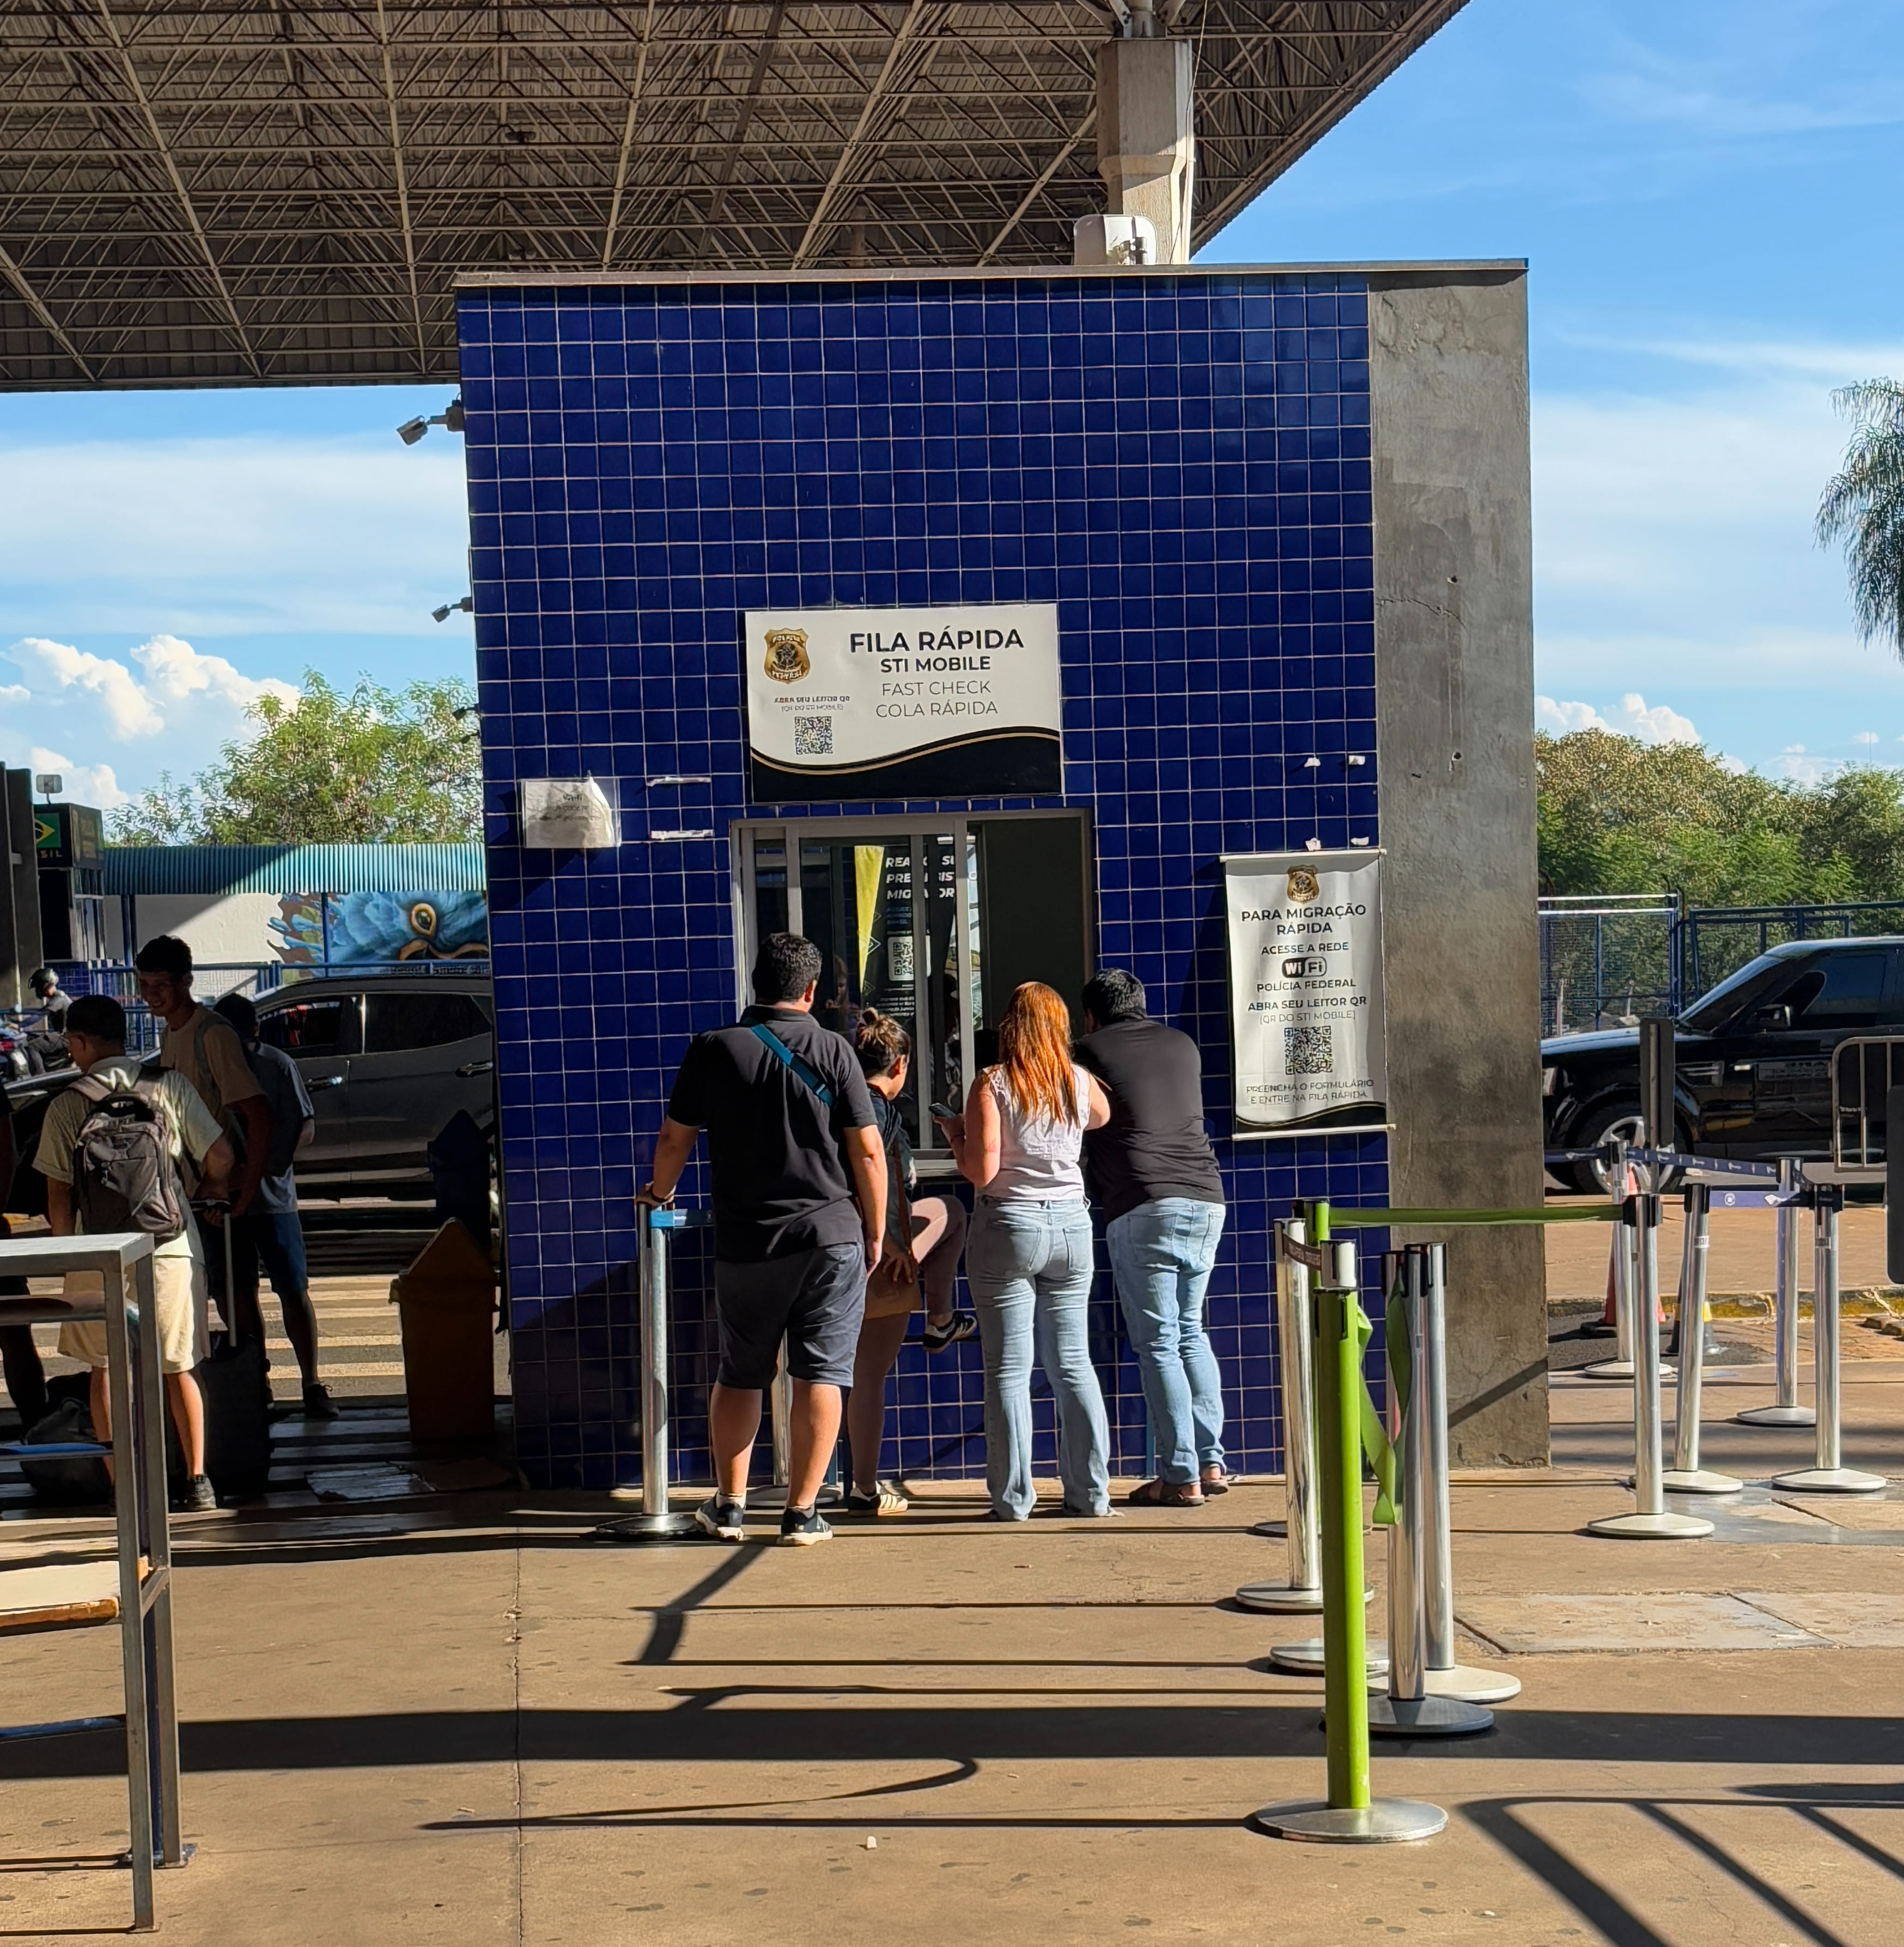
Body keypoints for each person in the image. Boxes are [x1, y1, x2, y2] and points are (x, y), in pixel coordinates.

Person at [641, 932, 886, 1547]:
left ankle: (729, 1506)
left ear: (756, 983)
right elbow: (868, 1151)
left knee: (741, 1372)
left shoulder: (714, 1048)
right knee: (822, 1373)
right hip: (829, 1237)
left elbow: (674, 1138)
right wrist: (876, 1230)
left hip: (747, 1241)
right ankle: (802, 1514)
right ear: (811, 991)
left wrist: (660, 1193)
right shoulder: (834, 1050)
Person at [33, 994, 233, 1512]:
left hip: (98, 1254)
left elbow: (59, 1195)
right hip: (169, 1245)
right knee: (178, 1366)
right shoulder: (170, 1086)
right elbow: (221, 1155)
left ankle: (122, 1484)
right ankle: (198, 1480)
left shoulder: (67, 1104)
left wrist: (70, 1256)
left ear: (80, 1042)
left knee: (104, 1369)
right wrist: (208, 1189)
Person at [939, 980, 1113, 1523]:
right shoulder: (1077, 1080)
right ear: (1060, 1027)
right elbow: (1103, 1115)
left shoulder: (993, 1081)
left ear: (1011, 1026)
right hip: (1072, 1226)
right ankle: (1091, 1494)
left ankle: (1014, 1500)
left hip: (1009, 1225)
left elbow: (982, 1170)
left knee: (1010, 1370)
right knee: (1073, 1364)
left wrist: (955, 1135)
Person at [1076, 969, 1228, 1507]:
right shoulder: (1182, 1044)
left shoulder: (1087, 1052)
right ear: (1140, 1004)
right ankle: (1210, 1462)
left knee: (1159, 1342)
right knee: (1191, 1332)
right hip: (1207, 1199)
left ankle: (1180, 1475)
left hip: (1143, 1202)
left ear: (1091, 1016)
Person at [844, 1008, 974, 1517]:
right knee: (868, 1377)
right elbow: (874, 1176)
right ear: (899, 1065)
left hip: (835, 1253)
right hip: (878, 1256)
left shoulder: (839, 1103)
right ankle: (863, 1487)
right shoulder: (878, 1113)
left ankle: (817, 1491)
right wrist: (891, 1240)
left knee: (830, 1378)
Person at [133, 938, 273, 1337]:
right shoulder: (170, 1033)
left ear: (186, 981)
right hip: (191, 1190)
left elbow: (260, 1115)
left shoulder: (212, 1034)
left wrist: (244, 1193)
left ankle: (252, 1372)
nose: (150, 995)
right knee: (212, 1290)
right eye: (144, 985)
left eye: (161, 985)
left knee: (235, 1293)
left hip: (221, 1191)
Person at [212, 993, 334, 1417]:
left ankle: (311, 1381)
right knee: (236, 1292)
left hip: (273, 1199)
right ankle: (256, 1381)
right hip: (226, 1200)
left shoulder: (277, 1065)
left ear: (255, 1032)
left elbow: (305, 1126)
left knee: (293, 1289)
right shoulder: (210, 1067)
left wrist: (266, 1162)